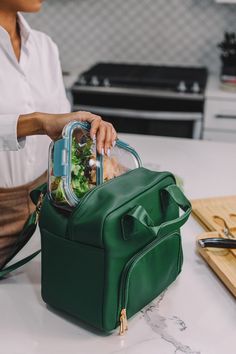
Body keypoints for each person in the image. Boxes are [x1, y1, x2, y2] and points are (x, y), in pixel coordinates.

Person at [0, 0, 117, 270]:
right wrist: (39, 122)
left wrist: (91, 141)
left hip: (47, 201)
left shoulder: (44, 47)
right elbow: (47, 122)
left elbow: (61, 125)